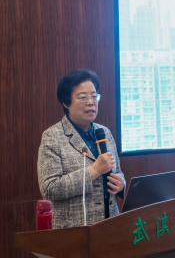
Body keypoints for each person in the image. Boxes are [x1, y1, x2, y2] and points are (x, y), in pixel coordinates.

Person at [38, 69, 125, 228]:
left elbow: (117, 171)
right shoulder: (53, 137)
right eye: (83, 97)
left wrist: (121, 185)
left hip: (110, 226)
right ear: (66, 103)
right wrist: (93, 171)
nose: (91, 102)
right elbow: (50, 189)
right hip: (74, 231)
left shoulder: (104, 132)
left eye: (94, 96)